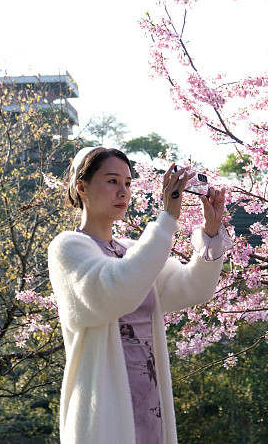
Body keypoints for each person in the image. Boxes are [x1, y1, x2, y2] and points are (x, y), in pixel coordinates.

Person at [48, 147, 231, 444]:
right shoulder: (67, 247)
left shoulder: (132, 251)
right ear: (81, 187)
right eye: (112, 181)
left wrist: (211, 232)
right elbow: (117, 290)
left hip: (149, 401)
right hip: (103, 411)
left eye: (128, 183)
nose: (123, 191)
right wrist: (166, 220)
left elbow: (195, 287)